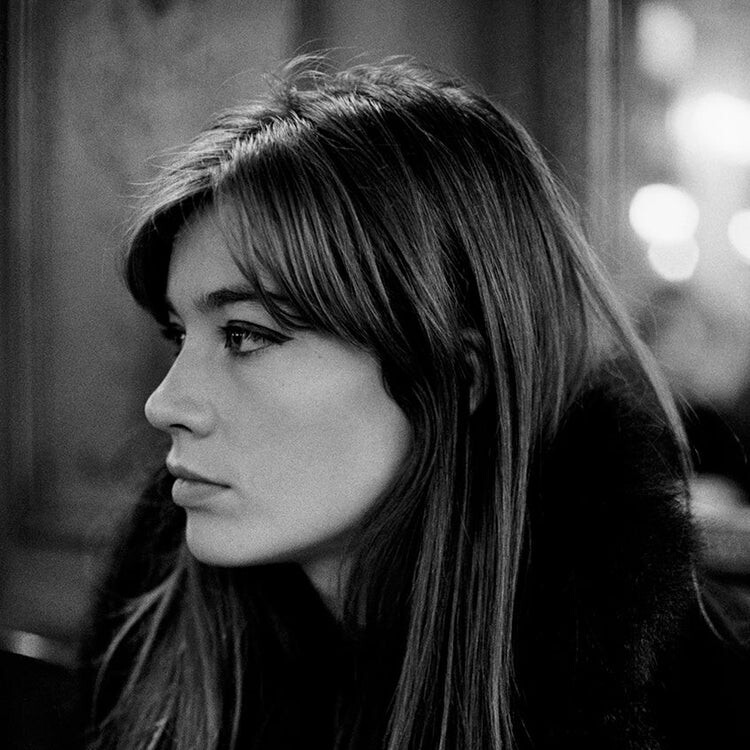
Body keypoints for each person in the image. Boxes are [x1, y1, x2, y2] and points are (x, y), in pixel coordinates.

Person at [84, 59, 715, 750]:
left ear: (458, 378)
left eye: (245, 335)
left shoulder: (670, 700)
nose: (165, 404)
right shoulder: (153, 640)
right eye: (179, 335)